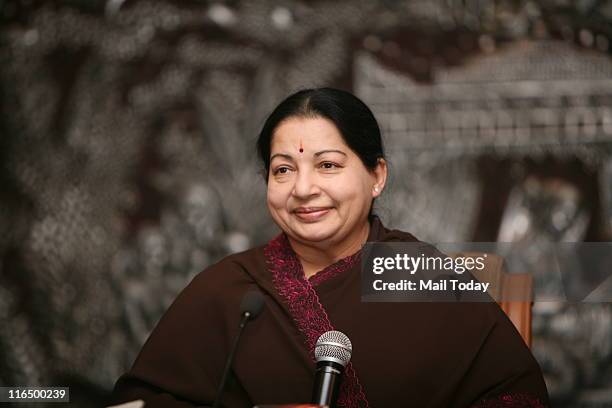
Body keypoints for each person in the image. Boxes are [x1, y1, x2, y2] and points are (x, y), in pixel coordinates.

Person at [111, 88, 550, 407]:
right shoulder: (230, 290)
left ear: (377, 175)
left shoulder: (421, 276)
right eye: (283, 170)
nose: (303, 189)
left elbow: (518, 398)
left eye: (327, 165)